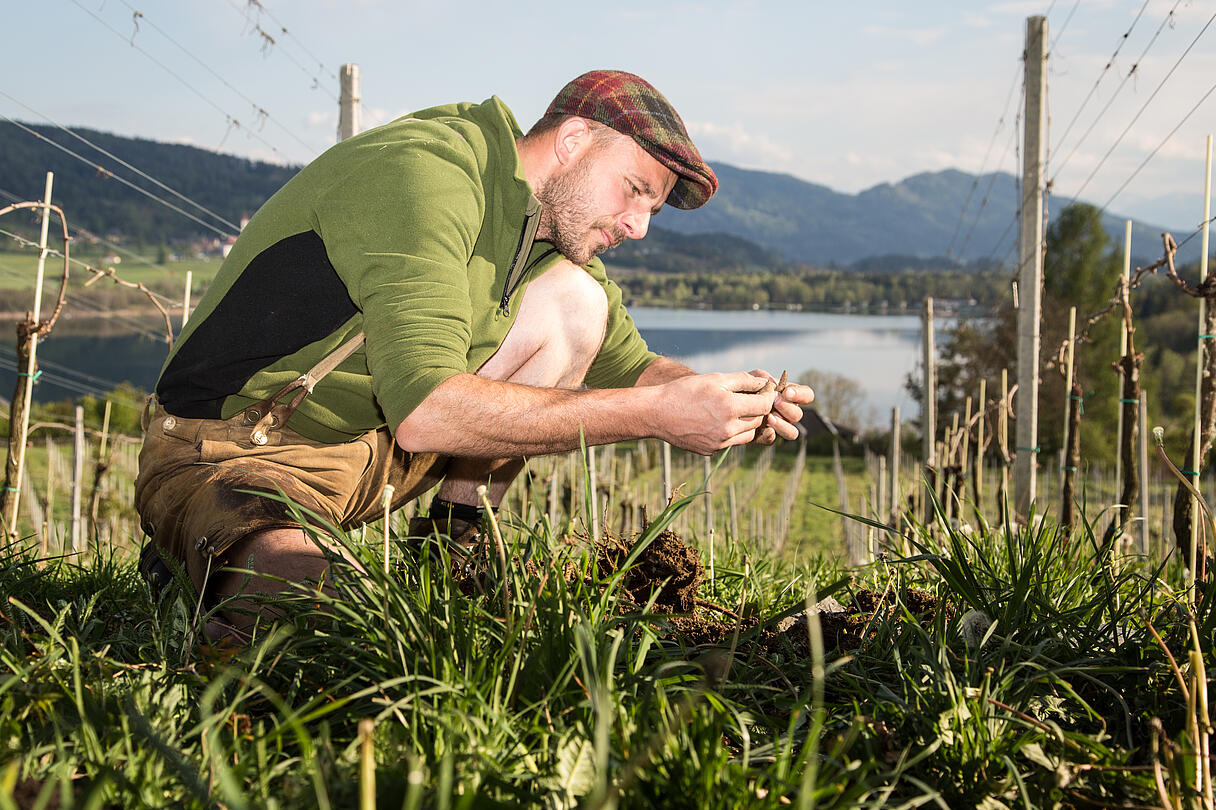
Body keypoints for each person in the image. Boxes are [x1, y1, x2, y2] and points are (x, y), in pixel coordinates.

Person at [134, 69, 812, 637]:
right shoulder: (425, 176)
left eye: (653, 212)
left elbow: (634, 369)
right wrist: (658, 416)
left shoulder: (545, 224)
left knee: (579, 303)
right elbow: (426, 413)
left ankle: (453, 554)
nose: (637, 226)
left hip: (366, 459)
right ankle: (213, 553)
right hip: (236, 452)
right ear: (574, 140)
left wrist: (723, 397)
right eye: (635, 190)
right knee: (345, 631)